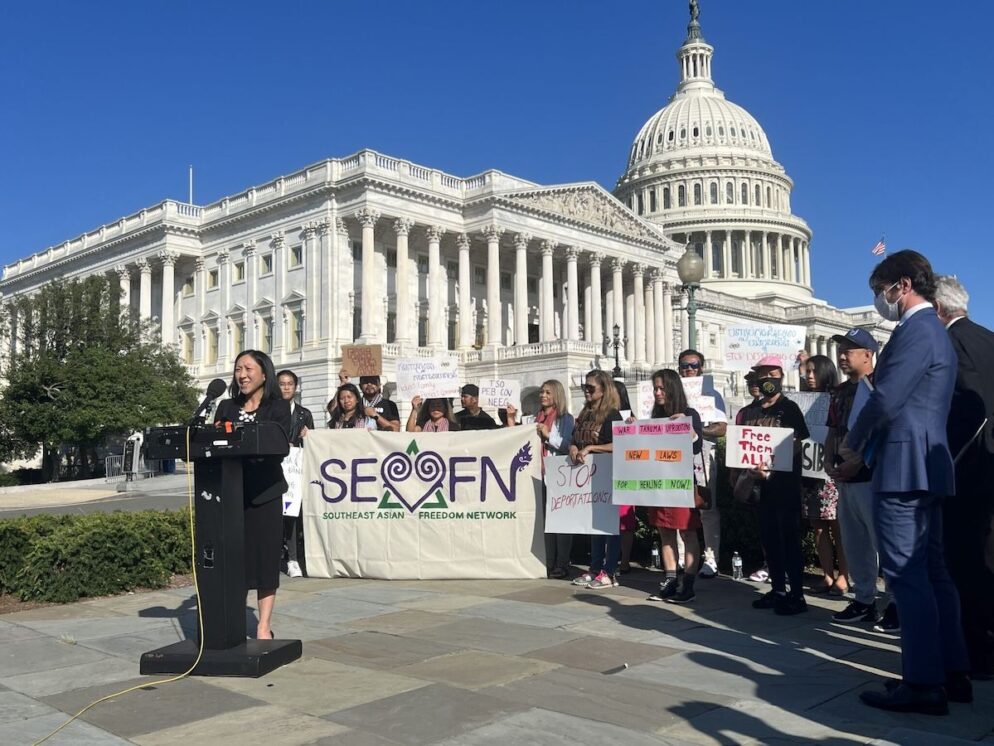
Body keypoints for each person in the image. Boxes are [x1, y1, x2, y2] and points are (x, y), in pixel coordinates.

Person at [841, 250, 970, 714]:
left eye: (882, 289)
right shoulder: (932, 331)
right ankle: (952, 671)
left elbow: (886, 399)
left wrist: (853, 444)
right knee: (933, 572)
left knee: (906, 575)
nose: (880, 299)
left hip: (902, 464)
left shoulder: (917, 330)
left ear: (902, 285)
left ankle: (922, 681)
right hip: (925, 464)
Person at [934, 274, 994, 678]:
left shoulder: (953, 343)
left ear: (938, 309)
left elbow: (970, 413)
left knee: (967, 563)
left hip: (969, 469)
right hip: (987, 468)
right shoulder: (989, 337)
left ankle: (979, 653)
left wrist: (945, 460)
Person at [214, 350, 291, 641]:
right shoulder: (226, 407)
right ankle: (231, 617)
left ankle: (262, 626)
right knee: (232, 558)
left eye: (248, 368)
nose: (242, 375)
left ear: (263, 373)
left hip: (264, 493)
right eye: (238, 369)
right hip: (230, 494)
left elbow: (275, 443)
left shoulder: (278, 407)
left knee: (264, 558)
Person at [734, 355, 809, 616]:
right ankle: (778, 590)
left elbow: (799, 442)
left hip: (784, 485)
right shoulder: (753, 411)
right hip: (759, 486)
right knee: (769, 541)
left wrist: (772, 467)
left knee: (789, 540)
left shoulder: (789, 409)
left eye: (768, 375)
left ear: (779, 377)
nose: (763, 380)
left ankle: (797, 595)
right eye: (759, 375)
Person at [824, 329, 888, 627]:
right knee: (854, 542)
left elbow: (883, 429)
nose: (842, 355)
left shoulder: (880, 386)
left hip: (872, 476)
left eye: (849, 350)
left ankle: (896, 603)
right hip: (844, 477)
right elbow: (833, 429)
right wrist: (827, 457)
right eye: (841, 349)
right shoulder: (839, 391)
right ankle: (864, 599)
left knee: (882, 544)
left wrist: (857, 461)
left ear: (867, 354)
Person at [645, 368, 704, 604]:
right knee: (664, 531)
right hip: (660, 482)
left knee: (688, 531)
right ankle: (671, 579)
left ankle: (688, 583)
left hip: (681, 482)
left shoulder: (690, 414)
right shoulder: (655, 417)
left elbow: (697, 447)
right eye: (655, 388)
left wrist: (687, 429)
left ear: (672, 389)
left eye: (661, 388)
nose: (658, 393)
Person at [569, 369, 624, 589]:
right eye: (585, 387)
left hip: (607, 473)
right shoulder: (584, 413)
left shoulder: (612, 414)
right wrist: (574, 447)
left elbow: (620, 444)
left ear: (604, 389)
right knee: (594, 524)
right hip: (587, 475)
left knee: (609, 525)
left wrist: (592, 447)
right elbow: (574, 438)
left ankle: (609, 570)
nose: (587, 391)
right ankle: (594, 568)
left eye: (591, 387)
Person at [678, 349, 728, 579]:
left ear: (702, 367)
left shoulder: (712, 395)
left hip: (704, 452)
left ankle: (711, 559)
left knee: (706, 506)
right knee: (679, 506)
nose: (689, 370)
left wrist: (696, 431)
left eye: (694, 365)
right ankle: (682, 557)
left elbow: (721, 428)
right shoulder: (674, 396)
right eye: (684, 366)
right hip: (676, 453)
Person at [802, 355, 848, 596]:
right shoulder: (802, 400)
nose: (809, 376)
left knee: (837, 526)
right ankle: (827, 574)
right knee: (818, 527)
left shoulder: (838, 397)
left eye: (813, 371)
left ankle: (844, 575)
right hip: (809, 470)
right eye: (806, 372)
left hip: (831, 470)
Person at [534, 379, 576, 579]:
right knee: (545, 521)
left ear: (556, 395)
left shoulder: (565, 419)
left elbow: (568, 445)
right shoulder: (535, 417)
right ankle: (548, 561)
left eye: (548, 393)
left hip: (557, 472)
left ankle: (562, 562)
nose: (543, 396)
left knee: (559, 521)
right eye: (542, 392)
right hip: (539, 473)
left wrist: (548, 434)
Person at [277, 369, 314, 579]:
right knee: (273, 514)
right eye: (282, 383)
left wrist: (307, 437)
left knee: (291, 514)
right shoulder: (270, 411)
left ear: (295, 387)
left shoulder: (304, 414)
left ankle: (292, 558)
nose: (286, 387)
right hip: (275, 467)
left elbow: (313, 445)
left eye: (290, 383)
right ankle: (275, 555)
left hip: (294, 470)